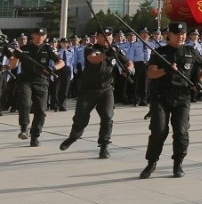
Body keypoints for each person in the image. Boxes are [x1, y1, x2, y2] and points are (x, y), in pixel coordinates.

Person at [141, 22, 202, 179]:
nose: (181, 37)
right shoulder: (159, 52)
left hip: (182, 97)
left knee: (181, 132)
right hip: (160, 98)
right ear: (169, 35)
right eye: (178, 34)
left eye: (183, 34)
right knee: (159, 131)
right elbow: (151, 74)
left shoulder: (190, 51)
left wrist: (200, 81)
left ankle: (178, 163)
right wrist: (165, 70)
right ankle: (151, 162)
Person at [59, 28, 124, 158]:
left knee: (107, 116)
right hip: (88, 90)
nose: (107, 39)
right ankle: (74, 136)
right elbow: (93, 59)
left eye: (109, 36)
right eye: (104, 36)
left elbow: (128, 62)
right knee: (80, 118)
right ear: (98, 37)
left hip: (106, 89)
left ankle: (104, 145)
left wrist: (129, 68)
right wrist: (107, 54)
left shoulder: (116, 49)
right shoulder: (91, 48)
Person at [8, 27, 63, 147]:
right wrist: (15, 56)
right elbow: (13, 66)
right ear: (32, 35)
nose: (40, 37)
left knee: (41, 110)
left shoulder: (48, 49)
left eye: (42, 35)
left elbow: (61, 62)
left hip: (41, 80)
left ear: (45, 37)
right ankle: (24, 128)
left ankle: (35, 136)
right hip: (25, 80)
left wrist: (53, 68)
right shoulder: (23, 49)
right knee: (25, 103)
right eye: (37, 34)